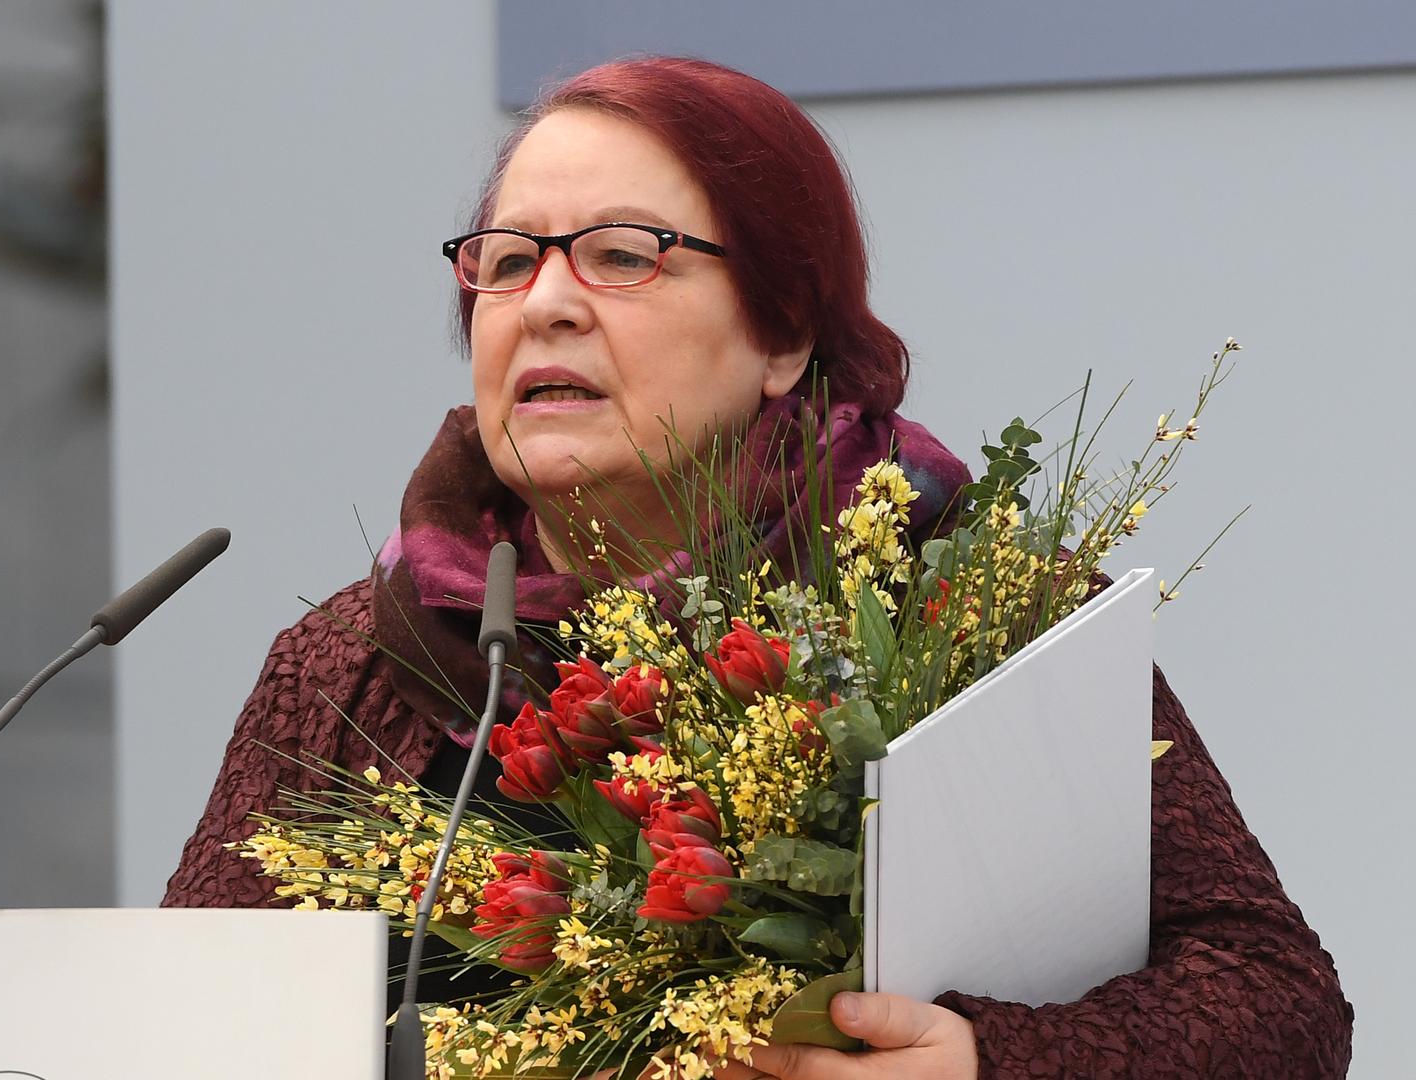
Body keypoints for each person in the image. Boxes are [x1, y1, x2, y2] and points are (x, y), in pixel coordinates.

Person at [162, 56, 1352, 1077]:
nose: (547, 305)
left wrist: (996, 1061)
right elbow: (178, 1034)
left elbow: (1278, 1000)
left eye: (623, 256)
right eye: (507, 261)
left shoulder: (975, 612)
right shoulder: (354, 658)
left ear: (784, 332)